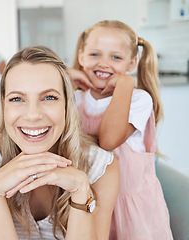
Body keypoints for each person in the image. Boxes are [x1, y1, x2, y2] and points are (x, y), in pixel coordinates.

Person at [0, 46, 120, 239]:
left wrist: (80, 191)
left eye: (49, 97)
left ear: (66, 104)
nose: (33, 115)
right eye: (17, 98)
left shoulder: (101, 167)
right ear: (3, 104)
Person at [68, 20, 173, 239]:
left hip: (132, 214)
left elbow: (108, 141)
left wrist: (125, 84)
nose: (104, 63)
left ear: (132, 63)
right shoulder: (74, 100)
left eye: (116, 57)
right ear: (81, 57)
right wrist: (62, 77)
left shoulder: (138, 99)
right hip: (89, 207)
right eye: (95, 54)